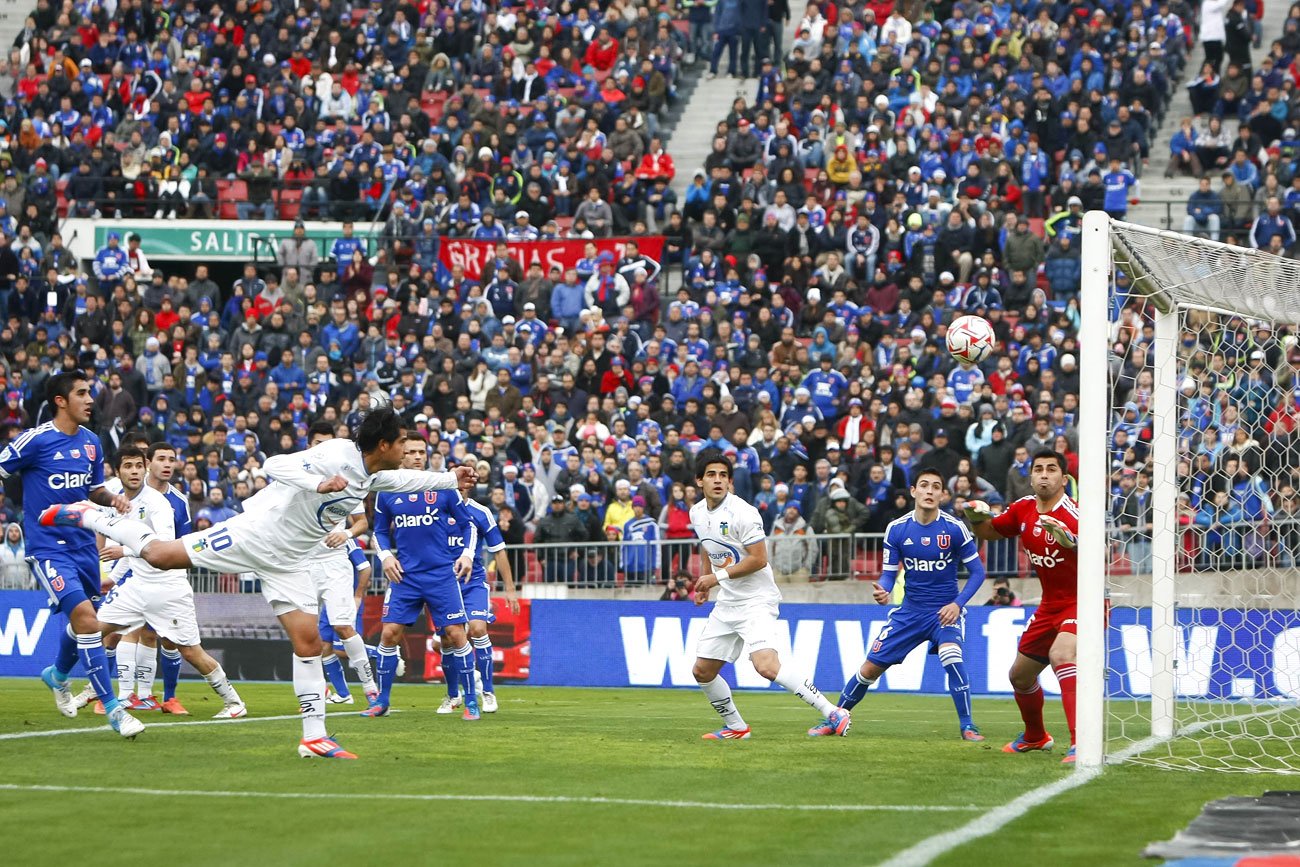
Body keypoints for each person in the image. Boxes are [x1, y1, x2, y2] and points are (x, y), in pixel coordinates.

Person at [44, 407, 476, 758]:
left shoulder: (371, 474)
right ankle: (89, 515)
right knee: (160, 555)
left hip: (290, 560)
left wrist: (450, 480)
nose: (409, 451)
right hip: (257, 535)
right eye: (403, 443)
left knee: (308, 642)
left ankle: (313, 737)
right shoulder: (338, 453)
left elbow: (402, 479)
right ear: (384, 444)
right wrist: (318, 482)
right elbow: (275, 464)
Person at [0, 372, 143, 738]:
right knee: (87, 620)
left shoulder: (92, 442)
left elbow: (93, 490)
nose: (90, 400)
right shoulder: (35, 440)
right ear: (61, 401)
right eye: (82, 393)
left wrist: (113, 499)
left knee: (87, 620)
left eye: (90, 393)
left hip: (83, 545)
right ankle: (114, 710)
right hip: (48, 547)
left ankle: (58, 674)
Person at [812, 469, 987, 741]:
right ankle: (834, 718)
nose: (930, 491)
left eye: (936, 487)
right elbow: (889, 574)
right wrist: (884, 589)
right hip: (910, 613)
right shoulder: (897, 529)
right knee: (869, 669)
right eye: (924, 485)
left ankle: (968, 726)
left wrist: (957, 604)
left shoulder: (954, 528)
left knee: (951, 656)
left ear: (943, 495)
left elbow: (978, 572)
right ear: (914, 491)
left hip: (944, 612)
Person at [688, 450, 850, 739]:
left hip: (756, 600)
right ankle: (737, 728)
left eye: (723, 475)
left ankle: (833, 712)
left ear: (730, 481)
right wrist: (706, 582)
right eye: (711, 475)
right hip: (728, 602)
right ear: (699, 481)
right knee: (702, 671)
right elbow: (707, 544)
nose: (718, 480)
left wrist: (716, 577)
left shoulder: (743, 512)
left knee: (765, 666)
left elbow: (759, 559)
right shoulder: (697, 512)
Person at [95, 447, 246, 720]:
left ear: (144, 467)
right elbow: (133, 545)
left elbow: (163, 545)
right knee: (92, 631)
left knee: (190, 652)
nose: (134, 471)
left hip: (168, 587)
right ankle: (72, 682)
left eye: (137, 466)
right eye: (128, 466)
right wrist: (113, 579)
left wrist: (123, 551)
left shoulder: (160, 503)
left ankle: (234, 702)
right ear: (118, 472)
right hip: (137, 586)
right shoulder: (120, 503)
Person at [965, 448, 1080, 763]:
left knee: (1061, 654)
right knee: (1020, 676)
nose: (1044, 475)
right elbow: (989, 531)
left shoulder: (1075, 513)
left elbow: (1102, 556)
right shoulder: (1023, 508)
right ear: (1030, 477)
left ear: (1064, 479)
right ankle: (1035, 737)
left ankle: (1081, 741)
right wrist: (976, 518)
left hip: (1084, 601)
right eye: (1038, 469)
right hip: (1050, 605)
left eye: (1051, 469)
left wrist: (1073, 542)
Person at [364, 436, 482, 721]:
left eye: (421, 452)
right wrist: (386, 556)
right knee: (389, 634)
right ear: (401, 455)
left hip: (441, 574)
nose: (417, 456)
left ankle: (471, 701)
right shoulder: (387, 489)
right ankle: (382, 701)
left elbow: (468, 524)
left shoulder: (442, 486)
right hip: (405, 576)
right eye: (411, 452)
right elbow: (379, 531)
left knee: (455, 634)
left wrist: (467, 554)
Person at [301, 422, 379, 708]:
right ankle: (316, 692)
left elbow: (361, 522)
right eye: (318, 443)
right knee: (305, 632)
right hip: (303, 563)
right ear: (309, 446)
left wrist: (345, 534)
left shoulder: (346, 481)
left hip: (333, 563)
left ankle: (370, 688)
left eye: (328, 443)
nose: (323, 449)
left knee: (343, 627)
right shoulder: (296, 478)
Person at [438, 473, 520, 715]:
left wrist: (510, 589)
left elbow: (499, 550)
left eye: (462, 481)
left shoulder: (481, 512)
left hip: (473, 582)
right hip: (443, 584)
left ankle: (488, 691)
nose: (458, 485)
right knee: (446, 640)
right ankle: (453, 695)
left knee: (477, 629)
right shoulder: (436, 511)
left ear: (469, 485)